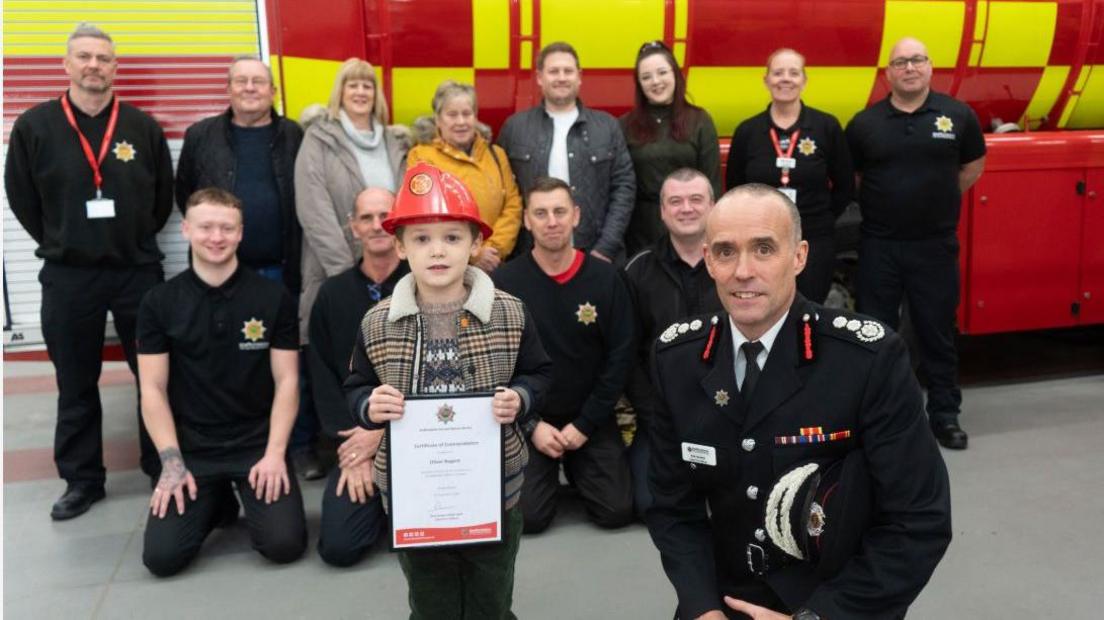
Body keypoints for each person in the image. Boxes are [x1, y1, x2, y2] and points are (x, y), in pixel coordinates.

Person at [646, 183, 951, 619]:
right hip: (724, 600)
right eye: (726, 252)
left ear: (800, 256)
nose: (743, 271)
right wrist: (701, 606)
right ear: (709, 260)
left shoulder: (867, 359)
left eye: (764, 249)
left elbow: (919, 521)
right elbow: (671, 508)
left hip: (838, 601)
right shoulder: (676, 358)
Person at [345, 163, 552, 619]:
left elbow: (539, 374)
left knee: (491, 597)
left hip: (496, 491)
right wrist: (368, 405)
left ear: (476, 243)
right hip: (414, 496)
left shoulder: (510, 313)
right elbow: (356, 384)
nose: (437, 251)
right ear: (399, 245)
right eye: (421, 239)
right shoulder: (377, 323)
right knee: (430, 598)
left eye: (453, 238)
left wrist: (521, 398)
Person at [3, 23, 173, 520]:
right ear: (67, 64)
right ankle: (82, 480)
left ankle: (159, 465)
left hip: (135, 272)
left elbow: (162, 198)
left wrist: (132, 238)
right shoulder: (35, 126)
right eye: (84, 57)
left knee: (154, 378)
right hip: (68, 275)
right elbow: (21, 198)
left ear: (115, 67)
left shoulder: (142, 127)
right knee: (75, 381)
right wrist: (62, 241)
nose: (94, 65)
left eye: (103, 58)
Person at [137, 188, 307, 577]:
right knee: (162, 559)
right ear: (185, 230)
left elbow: (287, 382)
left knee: (284, 545)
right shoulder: (159, 302)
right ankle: (216, 502)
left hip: (255, 445)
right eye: (206, 227)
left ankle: (231, 492)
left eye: (227, 228)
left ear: (241, 233)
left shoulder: (272, 297)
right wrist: (171, 462)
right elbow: (152, 390)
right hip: (192, 448)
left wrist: (275, 453)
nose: (217, 237)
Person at [845, 37, 986, 450]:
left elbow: (974, 164)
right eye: (900, 62)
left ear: (930, 67)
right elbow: (854, 176)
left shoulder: (957, 116)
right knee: (875, 334)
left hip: (934, 245)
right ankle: (880, 418)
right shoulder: (865, 123)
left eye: (917, 60)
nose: (909, 68)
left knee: (937, 333)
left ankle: (944, 415)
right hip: (879, 246)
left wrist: (936, 197)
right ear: (888, 73)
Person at [494, 177, 635, 533]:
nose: (551, 221)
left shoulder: (606, 279)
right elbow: (496, 364)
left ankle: (579, 463)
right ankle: (546, 467)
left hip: (590, 417)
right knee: (529, 518)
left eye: (559, 211)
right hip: (531, 418)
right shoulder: (505, 283)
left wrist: (585, 425)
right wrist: (531, 425)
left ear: (576, 216)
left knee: (616, 511)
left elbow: (620, 357)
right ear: (527, 220)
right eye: (541, 213)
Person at [293, 57, 410, 475]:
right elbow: (314, 209)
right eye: (351, 85)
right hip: (339, 268)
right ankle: (338, 443)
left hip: (391, 268)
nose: (360, 92)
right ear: (338, 92)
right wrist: (353, 273)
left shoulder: (396, 142)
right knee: (333, 359)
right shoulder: (319, 139)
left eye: (367, 85)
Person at [308, 187, 409, 566]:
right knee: (339, 548)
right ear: (353, 227)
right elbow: (322, 375)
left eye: (384, 214)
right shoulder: (332, 295)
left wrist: (379, 436)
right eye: (365, 217)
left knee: (434, 538)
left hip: (421, 438)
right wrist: (355, 450)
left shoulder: (426, 287)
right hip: (356, 435)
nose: (376, 224)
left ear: (398, 223)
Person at [623, 168, 723, 516]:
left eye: (696, 199)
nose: (686, 208)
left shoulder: (735, 265)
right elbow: (628, 355)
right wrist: (654, 413)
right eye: (675, 201)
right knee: (647, 504)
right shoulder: (637, 271)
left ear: (713, 205)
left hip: (731, 414)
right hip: (661, 416)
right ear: (662, 211)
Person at [726, 48, 853, 304]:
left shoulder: (826, 127)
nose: (786, 78)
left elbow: (845, 185)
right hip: (759, 241)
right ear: (766, 80)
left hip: (813, 239)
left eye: (794, 73)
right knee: (764, 306)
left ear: (804, 81)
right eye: (778, 72)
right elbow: (735, 188)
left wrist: (820, 218)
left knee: (809, 309)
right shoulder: (748, 131)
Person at [175, 55, 303, 294]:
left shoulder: (293, 134)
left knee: (281, 331)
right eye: (241, 81)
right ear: (229, 89)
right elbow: (186, 195)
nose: (250, 88)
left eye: (258, 81)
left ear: (273, 91)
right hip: (217, 270)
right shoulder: (200, 135)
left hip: (282, 271)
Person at [497, 41, 636, 263]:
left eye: (568, 71)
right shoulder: (515, 128)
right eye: (553, 71)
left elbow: (624, 188)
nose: (561, 77)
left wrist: (606, 248)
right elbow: (502, 192)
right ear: (540, 77)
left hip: (594, 254)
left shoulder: (607, 126)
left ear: (579, 76)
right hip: (530, 256)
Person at [407, 80, 522, 273]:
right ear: (438, 119)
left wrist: (493, 249)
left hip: (495, 263)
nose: (461, 121)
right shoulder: (421, 157)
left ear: (475, 117)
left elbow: (512, 206)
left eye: (467, 114)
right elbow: (425, 216)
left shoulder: (496, 154)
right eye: (452, 114)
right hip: (446, 267)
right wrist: (473, 254)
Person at [620, 40, 721, 257]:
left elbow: (713, 183)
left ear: (675, 74)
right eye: (646, 77)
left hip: (691, 225)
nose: (655, 82)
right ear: (639, 84)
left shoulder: (700, 120)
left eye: (662, 72)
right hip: (641, 231)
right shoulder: (625, 125)